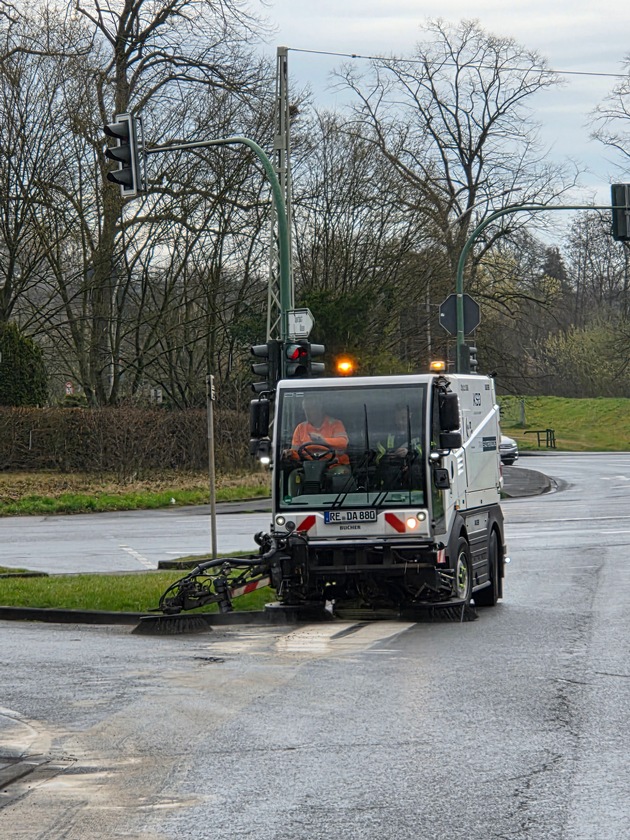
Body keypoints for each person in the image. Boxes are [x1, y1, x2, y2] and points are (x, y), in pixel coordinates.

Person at [285, 392, 350, 465]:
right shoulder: (300, 428)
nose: (307, 413)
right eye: (306, 409)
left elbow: (343, 443)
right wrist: (290, 453)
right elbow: (296, 453)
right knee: (294, 476)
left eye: (310, 409)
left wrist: (323, 441)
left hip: (334, 465)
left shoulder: (335, 424)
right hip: (309, 466)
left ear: (320, 409)